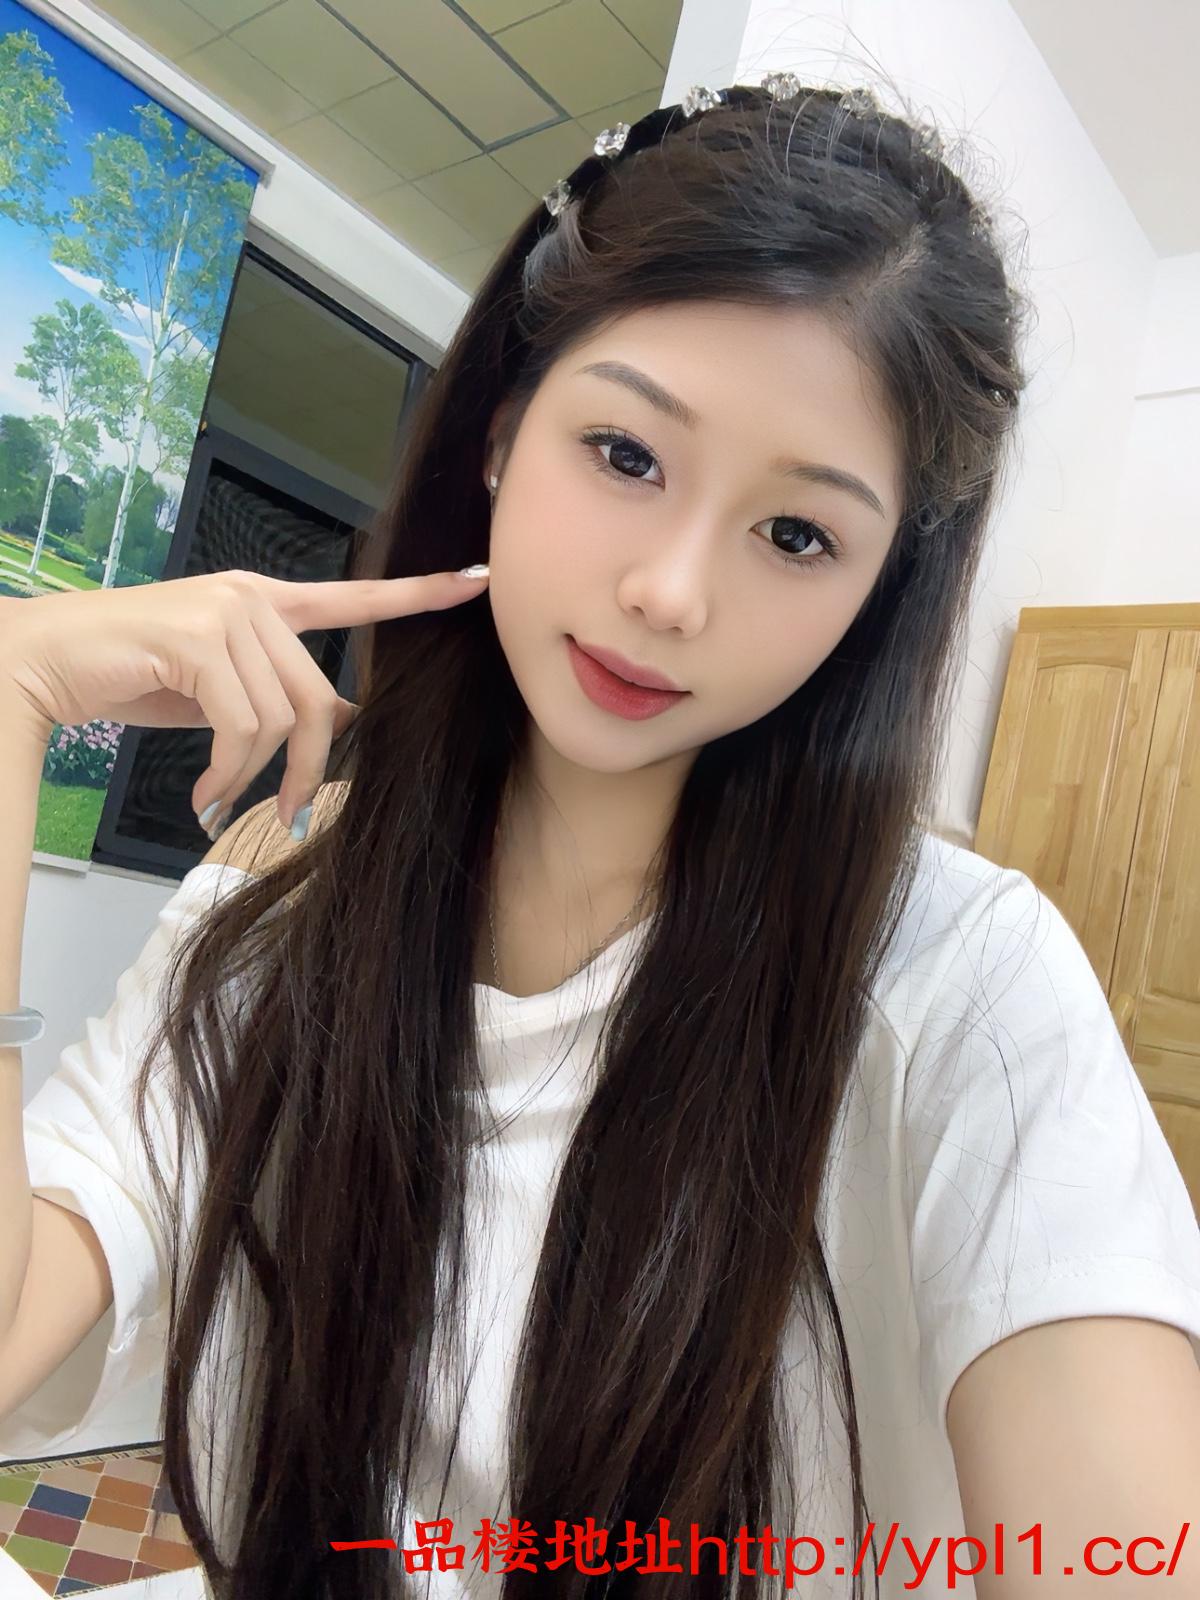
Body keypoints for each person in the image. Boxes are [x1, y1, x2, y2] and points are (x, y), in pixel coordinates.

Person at [0, 75, 1197, 1600]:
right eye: (627, 454)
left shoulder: (960, 982)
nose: (672, 593)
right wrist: (11, 688)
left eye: (798, 534)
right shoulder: (275, 920)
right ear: (504, 432)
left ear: (877, 592)